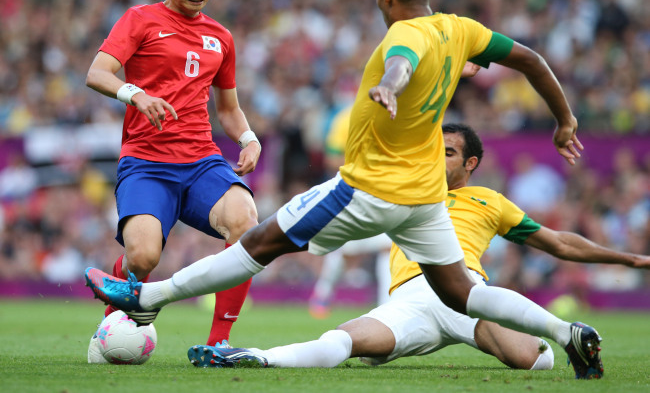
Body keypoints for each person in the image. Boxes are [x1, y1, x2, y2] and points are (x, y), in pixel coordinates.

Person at [85, 0, 602, 379]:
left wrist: (389, 86)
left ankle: (147, 296)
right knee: (465, 292)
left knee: (260, 240)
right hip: (424, 201)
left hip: (367, 188)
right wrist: (565, 119)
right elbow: (531, 58)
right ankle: (566, 333)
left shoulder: (405, 34)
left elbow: (400, 61)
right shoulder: (460, 30)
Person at [187, 123, 650, 372]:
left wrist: (626, 257)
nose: (437, 158)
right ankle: (255, 357)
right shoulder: (404, 191)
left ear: (470, 163)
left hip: (464, 292)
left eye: (448, 153)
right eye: (434, 150)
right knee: (345, 342)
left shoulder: (491, 201)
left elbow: (559, 243)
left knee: (535, 363)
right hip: (408, 302)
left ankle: (560, 339)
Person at [84, 0, 261, 363]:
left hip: (201, 161)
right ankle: (114, 316)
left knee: (245, 221)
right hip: (146, 163)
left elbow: (229, 109)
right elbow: (98, 72)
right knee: (144, 256)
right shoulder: (139, 19)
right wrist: (137, 95)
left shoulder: (221, 37)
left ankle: (219, 343)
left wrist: (248, 137)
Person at [309, 105, 392, 318]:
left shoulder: (396, 116)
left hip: (385, 191)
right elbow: (332, 158)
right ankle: (323, 294)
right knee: (344, 248)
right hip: (352, 190)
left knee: (387, 246)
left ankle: (386, 305)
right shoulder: (346, 118)